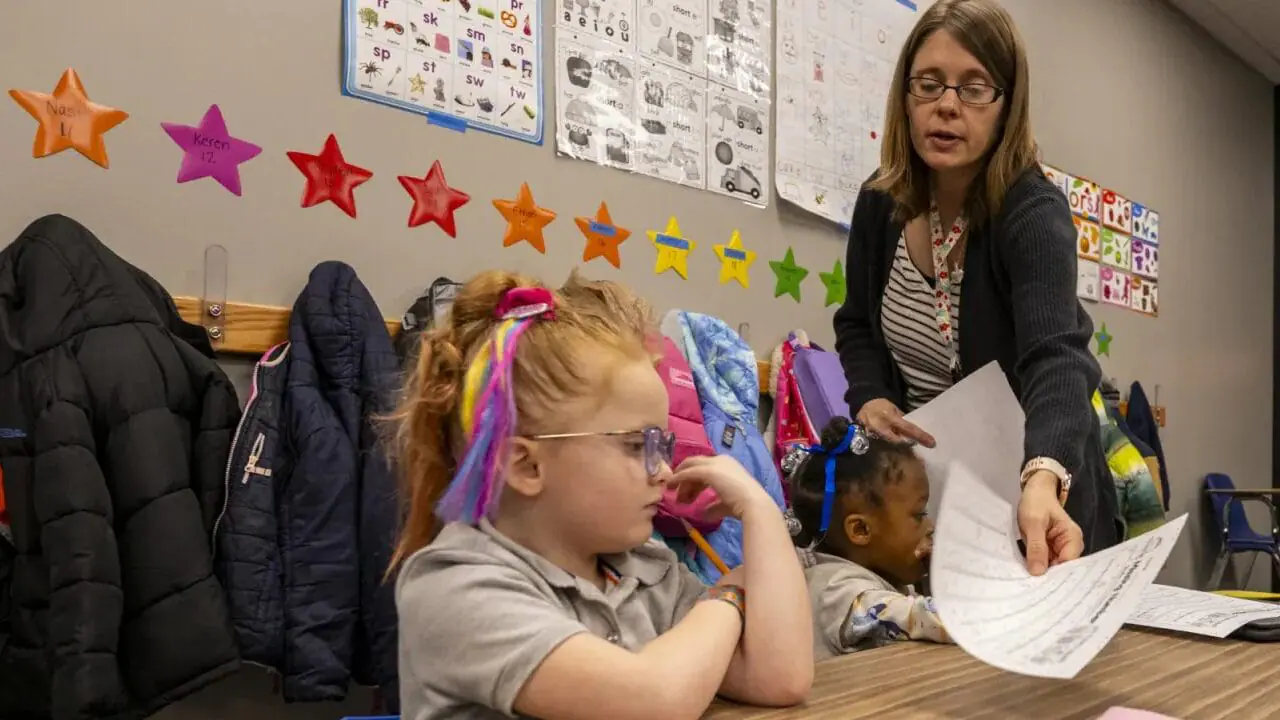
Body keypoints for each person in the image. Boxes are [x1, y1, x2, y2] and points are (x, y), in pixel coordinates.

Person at [388, 270, 813, 720]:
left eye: (663, 445)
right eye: (637, 445)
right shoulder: (455, 586)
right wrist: (727, 599)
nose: (664, 470)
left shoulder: (643, 567)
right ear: (527, 466)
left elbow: (780, 678)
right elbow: (650, 701)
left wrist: (761, 511)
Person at [833, 0, 1121, 575]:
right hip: (936, 488)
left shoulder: (1032, 212)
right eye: (929, 84)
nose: (946, 105)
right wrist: (870, 397)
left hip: (1039, 489)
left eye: (974, 88)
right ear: (905, 96)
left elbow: (1057, 357)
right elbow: (857, 323)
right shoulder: (879, 201)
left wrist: (1043, 475)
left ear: (1005, 106)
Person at [786, 418, 951, 660]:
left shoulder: (883, 577)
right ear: (861, 530)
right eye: (919, 515)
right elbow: (923, 619)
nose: (930, 526)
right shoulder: (839, 591)